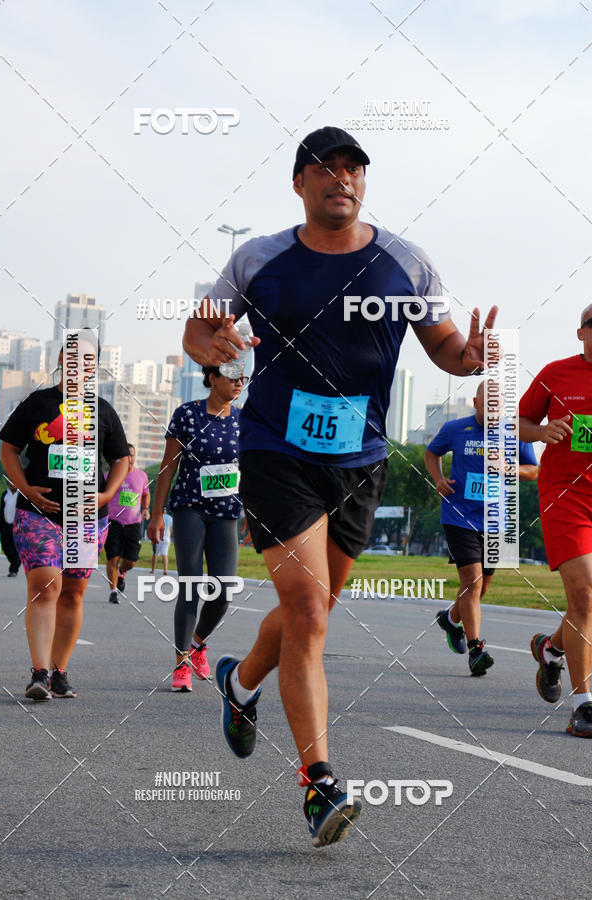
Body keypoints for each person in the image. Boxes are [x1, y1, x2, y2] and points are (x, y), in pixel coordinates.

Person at [183, 125, 498, 846]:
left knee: (313, 607)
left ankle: (239, 682)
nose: (341, 179)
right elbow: (198, 333)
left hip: (359, 459)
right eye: (325, 169)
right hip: (274, 449)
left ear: (364, 182)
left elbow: (445, 347)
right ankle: (319, 782)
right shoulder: (258, 257)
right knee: (308, 611)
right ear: (300, 183)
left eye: (354, 169)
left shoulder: (405, 262)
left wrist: (469, 357)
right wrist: (214, 344)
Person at [0, 336, 129, 700]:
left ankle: (59, 671)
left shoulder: (103, 409)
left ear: (95, 367)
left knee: (73, 592)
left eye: (88, 359)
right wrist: (23, 487)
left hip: (87, 518)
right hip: (40, 512)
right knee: (45, 585)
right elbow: (9, 448)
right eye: (72, 356)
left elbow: (121, 458)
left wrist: (106, 494)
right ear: (60, 360)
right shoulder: (36, 403)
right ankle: (39, 673)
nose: (79, 364)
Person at [425, 380, 538, 675]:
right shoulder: (455, 429)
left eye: (496, 404)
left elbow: (534, 471)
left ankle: (451, 619)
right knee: (473, 582)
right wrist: (438, 479)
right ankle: (477, 649)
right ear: (475, 403)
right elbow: (431, 452)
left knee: (481, 587)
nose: (491, 409)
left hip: (496, 520)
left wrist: (507, 468)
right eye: (485, 403)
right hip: (459, 516)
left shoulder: (516, 433)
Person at [519, 304, 592, 737]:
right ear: (581, 333)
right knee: (584, 593)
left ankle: (550, 649)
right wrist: (541, 432)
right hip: (566, 496)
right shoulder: (556, 373)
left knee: (589, 603)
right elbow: (522, 421)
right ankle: (584, 704)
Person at [147, 367, 243, 692]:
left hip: (227, 512)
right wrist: (156, 514)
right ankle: (181, 663)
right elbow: (167, 467)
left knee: (225, 588)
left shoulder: (245, 420)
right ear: (213, 378)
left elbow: (254, 472)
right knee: (190, 584)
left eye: (243, 378)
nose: (239, 383)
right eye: (233, 377)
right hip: (190, 508)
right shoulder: (187, 414)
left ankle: (198, 643)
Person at [104, 444, 150, 604]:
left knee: (131, 561)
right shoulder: (110, 475)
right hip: (113, 521)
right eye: (127, 455)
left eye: (132, 455)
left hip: (133, 523)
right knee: (113, 557)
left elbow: (145, 494)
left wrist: (145, 508)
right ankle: (113, 591)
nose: (130, 459)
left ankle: (122, 571)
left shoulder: (142, 476)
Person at [0, 482, 20, 576]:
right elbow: (1, 510)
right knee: (5, 546)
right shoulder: (5, 493)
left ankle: (13, 570)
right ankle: (15, 563)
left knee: (15, 548)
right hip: (6, 525)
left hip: (17, 526)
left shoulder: (21, 495)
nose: (12, 484)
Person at [150, 507, 172, 575]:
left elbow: (154, 528)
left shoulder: (157, 517)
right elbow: (172, 529)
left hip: (158, 538)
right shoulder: (170, 518)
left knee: (155, 554)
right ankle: (165, 570)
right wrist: (168, 535)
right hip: (167, 539)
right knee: (165, 554)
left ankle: (153, 570)